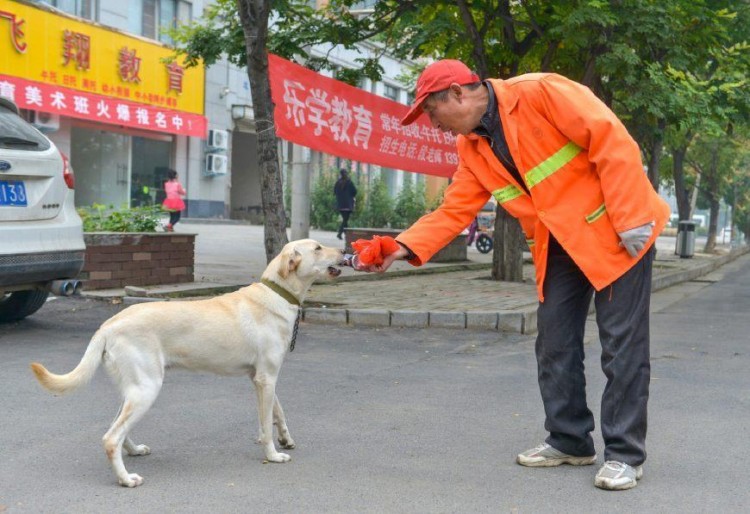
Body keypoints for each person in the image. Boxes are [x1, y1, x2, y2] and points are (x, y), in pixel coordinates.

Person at [356, 59, 670, 491]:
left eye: (431, 111)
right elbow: (454, 210)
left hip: (616, 231)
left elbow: (610, 137)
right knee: (554, 341)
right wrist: (398, 247)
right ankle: (570, 439)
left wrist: (632, 215)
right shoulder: (472, 148)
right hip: (558, 244)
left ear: (457, 94)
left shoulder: (541, 92)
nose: (432, 123)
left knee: (622, 346)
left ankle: (625, 455)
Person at [333, 168, 357, 240]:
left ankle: (346, 234)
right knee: (345, 220)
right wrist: (350, 196)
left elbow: (334, 192)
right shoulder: (349, 182)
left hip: (340, 205)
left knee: (345, 219)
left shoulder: (337, 183)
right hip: (348, 204)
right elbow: (355, 191)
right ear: (346, 174)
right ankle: (340, 233)